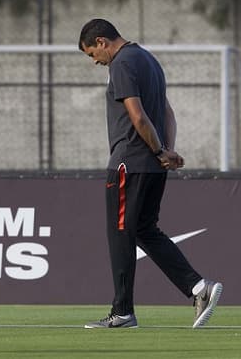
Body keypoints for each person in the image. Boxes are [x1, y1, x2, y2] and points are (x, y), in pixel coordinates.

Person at [78, 18, 223, 329]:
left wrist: (159, 152)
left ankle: (122, 312)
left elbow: (137, 114)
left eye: (92, 54)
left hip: (128, 164)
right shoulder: (149, 60)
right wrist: (166, 151)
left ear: (102, 42)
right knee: (144, 230)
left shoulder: (121, 63)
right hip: (154, 167)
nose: (94, 61)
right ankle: (199, 288)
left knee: (120, 235)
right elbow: (167, 111)